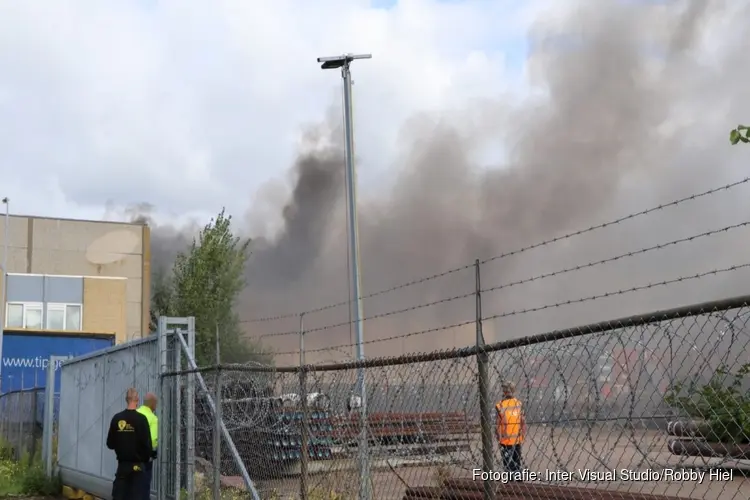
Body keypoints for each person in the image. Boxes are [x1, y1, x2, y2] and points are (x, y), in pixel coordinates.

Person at [106, 388, 153, 500]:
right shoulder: (142, 419)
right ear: (137, 400)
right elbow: (147, 446)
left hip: (122, 468)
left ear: (126, 400)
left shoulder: (117, 419)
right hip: (138, 468)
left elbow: (110, 444)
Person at [495, 381, 527, 475]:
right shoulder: (519, 404)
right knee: (517, 464)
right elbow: (523, 421)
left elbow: (497, 425)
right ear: (514, 391)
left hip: (505, 441)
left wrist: (498, 438)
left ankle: (511, 482)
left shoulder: (500, 405)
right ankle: (518, 480)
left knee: (508, 465)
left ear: (503, 392)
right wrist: (522, 436)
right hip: (517, 440)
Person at [137, 392, 159, 500]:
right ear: (152, 404)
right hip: (144, 460)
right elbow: (153, 440)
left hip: (129, 458)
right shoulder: (152, 418)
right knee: (144, 488)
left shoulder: (134, 413)